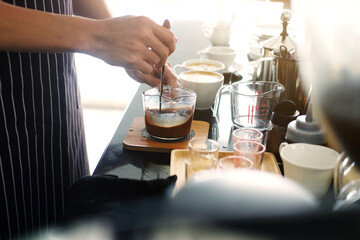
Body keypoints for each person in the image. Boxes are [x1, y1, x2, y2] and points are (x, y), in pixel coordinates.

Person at [0, 0, 177, 238]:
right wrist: (102, 36)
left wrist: (117, 34)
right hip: (6, 116)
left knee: (67, 214)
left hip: (57, 100)